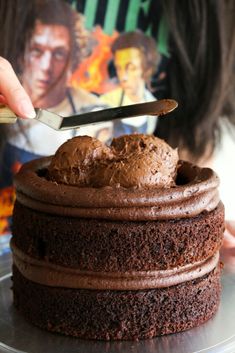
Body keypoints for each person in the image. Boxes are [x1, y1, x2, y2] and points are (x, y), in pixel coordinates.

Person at [0, 0, 235, 249]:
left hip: (137, 257)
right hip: (17, 243)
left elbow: (190, 144)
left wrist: (195, 234)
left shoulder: (204, 10)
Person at [100, 30, 158, 136]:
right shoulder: (106, 102)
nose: (123, 77)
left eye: (131, 68)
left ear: (147, 70)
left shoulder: (153, 105)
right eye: (119, 68)